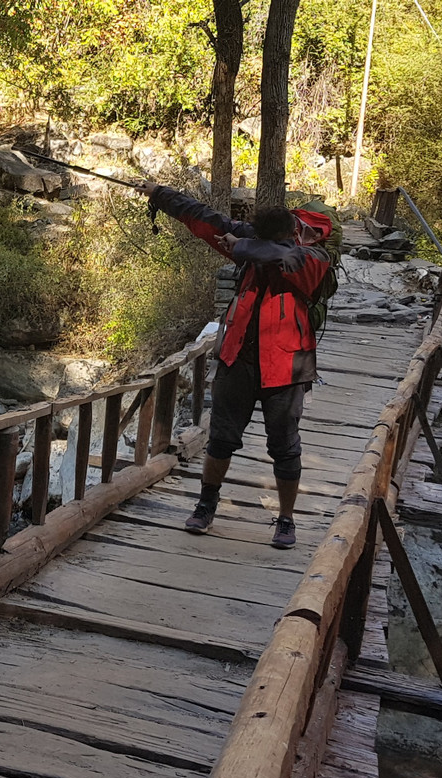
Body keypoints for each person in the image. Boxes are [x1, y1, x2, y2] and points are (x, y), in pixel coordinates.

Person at [134, 182, 333, 549]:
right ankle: (206, 504)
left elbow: (283, 259)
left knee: (285, 446)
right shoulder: (253, 244)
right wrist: (158, 193)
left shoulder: (314, 258)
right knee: (221, 439)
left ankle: (286, 520)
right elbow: (202, 217)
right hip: (237, 357)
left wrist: (239, 245)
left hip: (286, 364)